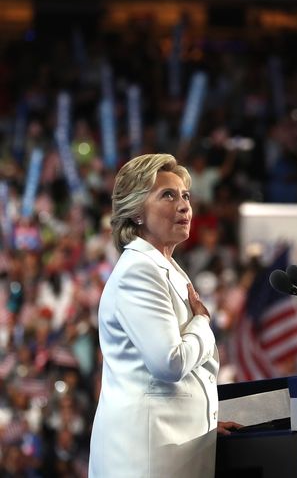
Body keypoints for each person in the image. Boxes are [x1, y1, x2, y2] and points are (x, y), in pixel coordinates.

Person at [89, 154, 239, 478]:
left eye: (185, 195)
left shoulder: (165, 266)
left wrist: (203, 425)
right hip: (144, 460)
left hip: (172, 450)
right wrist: (202, 323)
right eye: (168, 196)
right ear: (136, 212)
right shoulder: (139, 272)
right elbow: (170, 362)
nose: (184, 205)